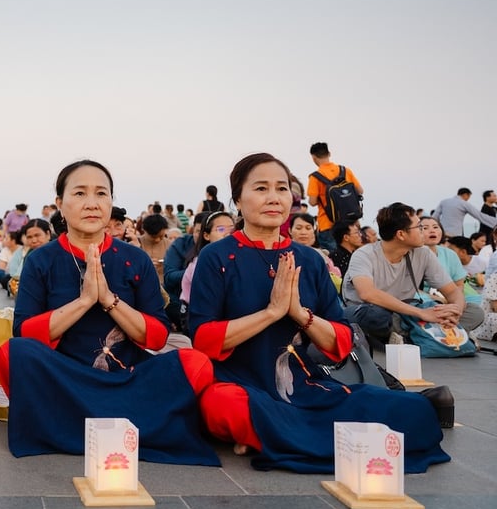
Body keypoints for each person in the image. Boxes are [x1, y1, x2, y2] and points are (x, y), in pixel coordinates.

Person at [190, 153, 449, 473]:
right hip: (241, 384)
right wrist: (271, 313)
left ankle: (269, 435)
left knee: (414, 410)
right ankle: (277, 431)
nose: (273, 198)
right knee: (221, 406)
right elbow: (203, 339)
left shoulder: (309, 260)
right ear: (238, 201)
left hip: (306, 385)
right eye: (260, 189)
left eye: (282, 189)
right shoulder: (218, 257)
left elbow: (340, 340)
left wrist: (301, 314)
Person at [0, 159, 218, 465]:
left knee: (197, 364)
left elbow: (156, 336)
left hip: (127, 377)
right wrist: (84, 301)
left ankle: (69, 426)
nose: (92, 203)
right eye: (80, 194)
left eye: (101, 194)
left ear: (111, 202)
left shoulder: (134, 259)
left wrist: (109, 300)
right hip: (67, 380)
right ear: (60, 204)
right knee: (12, 353)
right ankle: (133, 425)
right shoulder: (41, 260)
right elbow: (26, 332)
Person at [342, 203, 483, 349]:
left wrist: (456, 312)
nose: (423, 232)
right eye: (419, 227)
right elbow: (367, 294)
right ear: (401, 234)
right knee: (375, 316)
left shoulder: (423, 253)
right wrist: (422, 313)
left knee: (475, 312)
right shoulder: (364, 254)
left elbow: (452, 291)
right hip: (369, 311)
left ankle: (416, 335)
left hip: (407, 313)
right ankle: (441, 334)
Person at [306, 142, 364, 251]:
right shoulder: (345, 170)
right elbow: (360, 191)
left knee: (333, 261)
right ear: (329, 153)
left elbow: (313, 202)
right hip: (350, 223)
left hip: (328, 224)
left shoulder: (315, 177)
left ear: (313, 158)